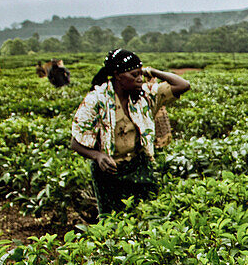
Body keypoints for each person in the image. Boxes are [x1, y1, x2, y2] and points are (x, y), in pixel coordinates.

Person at [70, 49, 190, 215]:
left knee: (150, 212)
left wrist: (152, 71)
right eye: (134, 75)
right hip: (109, 171)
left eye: (140, 74)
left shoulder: (145, 95)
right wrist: (98, 156)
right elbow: (75, 143)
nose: (139, 79)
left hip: (138, 164)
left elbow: (183, 85)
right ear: (118, 75)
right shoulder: (96, 100)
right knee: (112, 219)